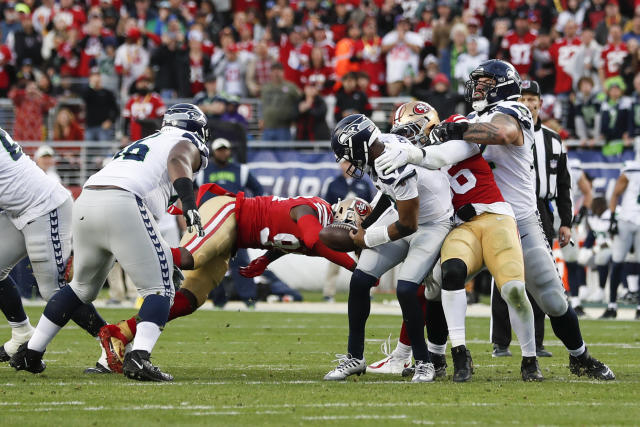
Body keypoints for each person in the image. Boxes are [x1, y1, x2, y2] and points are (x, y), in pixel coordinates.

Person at [375, 59, 615, 381]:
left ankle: (579, 356)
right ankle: (434, 358)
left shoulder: (515, 112)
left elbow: (502, 132)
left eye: (486, 83)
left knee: (552, 297)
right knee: (439, 282)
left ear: (504, 84)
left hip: (518, 221)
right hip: (468, 221)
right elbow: (437, 155)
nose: (478, 88)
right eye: (478, 82)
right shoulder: (471, 118)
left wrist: (457, 128)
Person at [10, 103, 211, 382]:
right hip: (124, 202)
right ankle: (139, 358)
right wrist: (190, 204)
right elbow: (178, 160)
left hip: (89, 198)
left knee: (79, 288)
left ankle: (31, 352)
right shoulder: (184, 141)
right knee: (160, 289)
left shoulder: (147, 141)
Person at [98, 187, 358, 373]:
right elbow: (311, 239)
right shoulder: (316, 209)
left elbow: (291, 238)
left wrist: (265, 260)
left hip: (233, 238)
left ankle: (120, 332)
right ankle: (124, 248)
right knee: (192, 257)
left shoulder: (319, 223)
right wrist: (355, 267)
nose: (348, 239)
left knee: (192, 297)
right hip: (228, 211)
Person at [374, 99, 541, 382]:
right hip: (460, 227)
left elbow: (439, 157)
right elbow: (394, 197)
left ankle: (529, 359)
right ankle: (456, 354)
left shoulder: (453, 132)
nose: (406, 136)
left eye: (411, 129)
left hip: (494, 217)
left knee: (513, 289)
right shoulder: (413, 156)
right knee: (441, 280)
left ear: (429, 122)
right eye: (401, 132)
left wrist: (411, 153)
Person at [324, 114, 454, 383]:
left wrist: (367, 238)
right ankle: (355, 357)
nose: (346, 163)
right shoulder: (377, 148)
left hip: (431, 225)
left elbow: (408, 224)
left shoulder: (391, 163)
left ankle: (423, 362)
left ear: (360, 147)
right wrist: (368, 224)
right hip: (404, 215)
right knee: (360, 280)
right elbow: (388, 196)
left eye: (347, 155)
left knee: (407, 288)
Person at [0, 127, 107, 370]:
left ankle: (112, 341)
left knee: (54, 290)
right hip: (17, 210)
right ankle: (22, 334)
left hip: (44, 208)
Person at [491, 80, 573, 359]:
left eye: (532, 98)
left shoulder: (552, 138)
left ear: (540, 101)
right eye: (523, 97)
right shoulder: (503, 127)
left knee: (540, 273)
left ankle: (536, 342)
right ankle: (500, 342)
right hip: (511, 206)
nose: (528, 103)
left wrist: (566, 221)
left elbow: (564, 183)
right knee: (503, 273)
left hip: (542, 207)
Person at [196, 137, 263, 308]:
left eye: (225, 149)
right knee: (213, 262)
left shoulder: (241, 170)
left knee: (241, 260)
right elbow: (191, 192)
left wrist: (252, 208)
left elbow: (258, 190)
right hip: (211, 223)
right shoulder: (203, 171)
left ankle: (249, 300)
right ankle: (218, 301)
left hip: (235, 221)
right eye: (219, 150)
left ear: (229, 151)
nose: (223, 152)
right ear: (214, 152)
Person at [322, 160, 374, 303]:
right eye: (344, 163)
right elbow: (327, 206)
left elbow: (370, 207)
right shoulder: (333, 184)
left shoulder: (363, 184)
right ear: (340, 165)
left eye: (349, 163)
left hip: (360, 229)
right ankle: (328, 293)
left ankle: (368, 291)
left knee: (365, 262)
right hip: (339, 229)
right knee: (335, 261)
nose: (346, 166)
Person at [602, 160, 640, 319]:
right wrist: (612, 218)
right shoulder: (632, 169)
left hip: (635, 221)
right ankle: (612, 305)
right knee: (617, 262)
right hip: (626, 219)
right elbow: (616, 193)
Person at [260, 62, 300, 141]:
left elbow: (298, 102)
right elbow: (262, 104)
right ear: (271, 73)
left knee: (284, 152)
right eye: (274, 71)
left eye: (278, 71)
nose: (276, 74)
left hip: (284, 127)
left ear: (283, 72)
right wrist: (261, 118)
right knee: (266, 152)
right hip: (268, 127)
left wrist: (295, 119)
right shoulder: (265, 88)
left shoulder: (291, 87)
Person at [122, 75, 166, 143]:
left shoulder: (156, 98)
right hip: (134, 136)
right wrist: (125, 135)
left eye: (146, 82)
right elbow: (126, 119)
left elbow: (162, 117)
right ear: (137, 84)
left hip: (151, 136)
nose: (143, 84)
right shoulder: (131, 100)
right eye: (141, 82)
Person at [82, 70, 119, 142]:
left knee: (104, 150)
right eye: (93, 76)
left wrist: (110, 121)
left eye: (97, 76)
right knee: (89, 150)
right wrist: (92, 85)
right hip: (90, 126)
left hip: (103, 127)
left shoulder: (108, 93)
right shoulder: (89, 91)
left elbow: (116, 110)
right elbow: (84, 97)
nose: (96, 79)